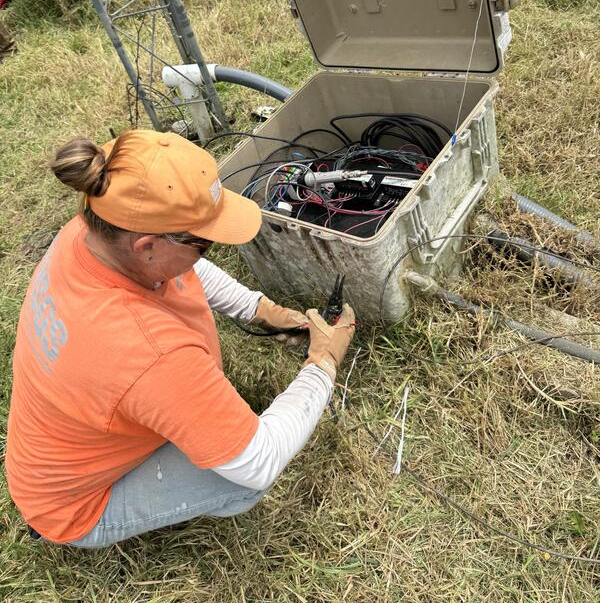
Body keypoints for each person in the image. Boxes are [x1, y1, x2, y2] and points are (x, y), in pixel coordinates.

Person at [5, 129, 355, 548]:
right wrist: (322, 364)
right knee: (242, 483)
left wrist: (258, 309)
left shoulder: (92, 234)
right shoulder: (148, 354)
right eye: (202, 242)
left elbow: (188, 269)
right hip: (77, 506)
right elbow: (259, 461)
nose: (207, 251)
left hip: (50, 459)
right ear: (147, 246)